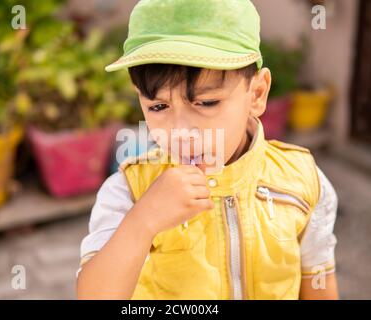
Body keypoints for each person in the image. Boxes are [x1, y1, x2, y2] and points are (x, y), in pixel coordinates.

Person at [77, 0, 339, 300]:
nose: (181, 131)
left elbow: (319, 286)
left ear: (257, 93)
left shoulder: (303, 181)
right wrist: (142, 222)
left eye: (206, 102)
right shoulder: (128, 192)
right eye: (158, 106)